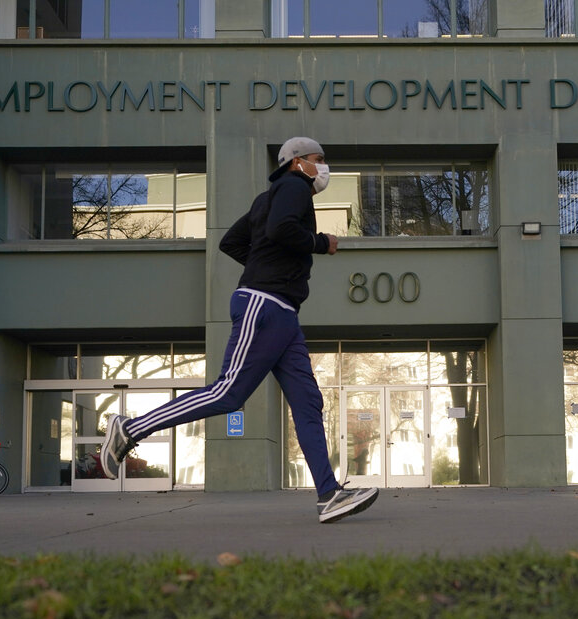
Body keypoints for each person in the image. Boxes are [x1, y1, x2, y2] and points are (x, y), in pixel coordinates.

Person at [99, 137, 378, 524]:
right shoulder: (294, 187)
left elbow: (232, 242)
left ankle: (329, 494)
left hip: (283, 315)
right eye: (319, 159)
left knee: (308, 403)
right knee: (229, 393)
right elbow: (282, 231)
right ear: (298, 163)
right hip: (264, 306)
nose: (323, 166)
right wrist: (320, 242)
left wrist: (265, 263)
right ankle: (130, 428)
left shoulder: (266, 199)